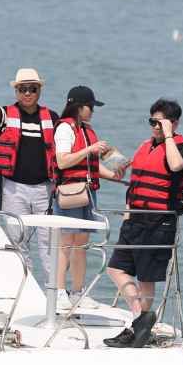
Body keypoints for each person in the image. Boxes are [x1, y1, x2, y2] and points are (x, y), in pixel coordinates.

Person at [104, 98, 183, 349]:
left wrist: (168, 136)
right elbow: (135, 180)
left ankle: (138, 328)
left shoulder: (182, 147)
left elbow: (176, 166)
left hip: (159, 222)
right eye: (152, 122)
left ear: (173, 123)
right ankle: (140, 319)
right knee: (115, 269)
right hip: (134, 218)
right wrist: (126, 213)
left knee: (146, 278)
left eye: (160, 122)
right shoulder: (145, 146)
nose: (154, 127)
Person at [0, 67, 58, 279]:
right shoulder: (6, 114)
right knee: (17, 242)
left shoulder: (52, 117)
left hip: (44, 190)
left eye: (32, 89)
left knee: (49, 243)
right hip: (14, 189)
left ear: (39, 90)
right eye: (22, 89)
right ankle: (25, 287)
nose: (27, 93)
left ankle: (56, 291)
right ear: (16, 92)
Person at [53, 85, 122, 308]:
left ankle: (78, 291)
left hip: (88, 192)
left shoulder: (86, 129)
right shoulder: (65, 129)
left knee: (82, 243)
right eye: (90, 107)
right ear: (78, 107)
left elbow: (90, 166)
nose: (92, 111)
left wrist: (115, 174)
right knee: (66, 242)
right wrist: (89, 150)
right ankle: (60, 290)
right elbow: (63, 161)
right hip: (70, 191)